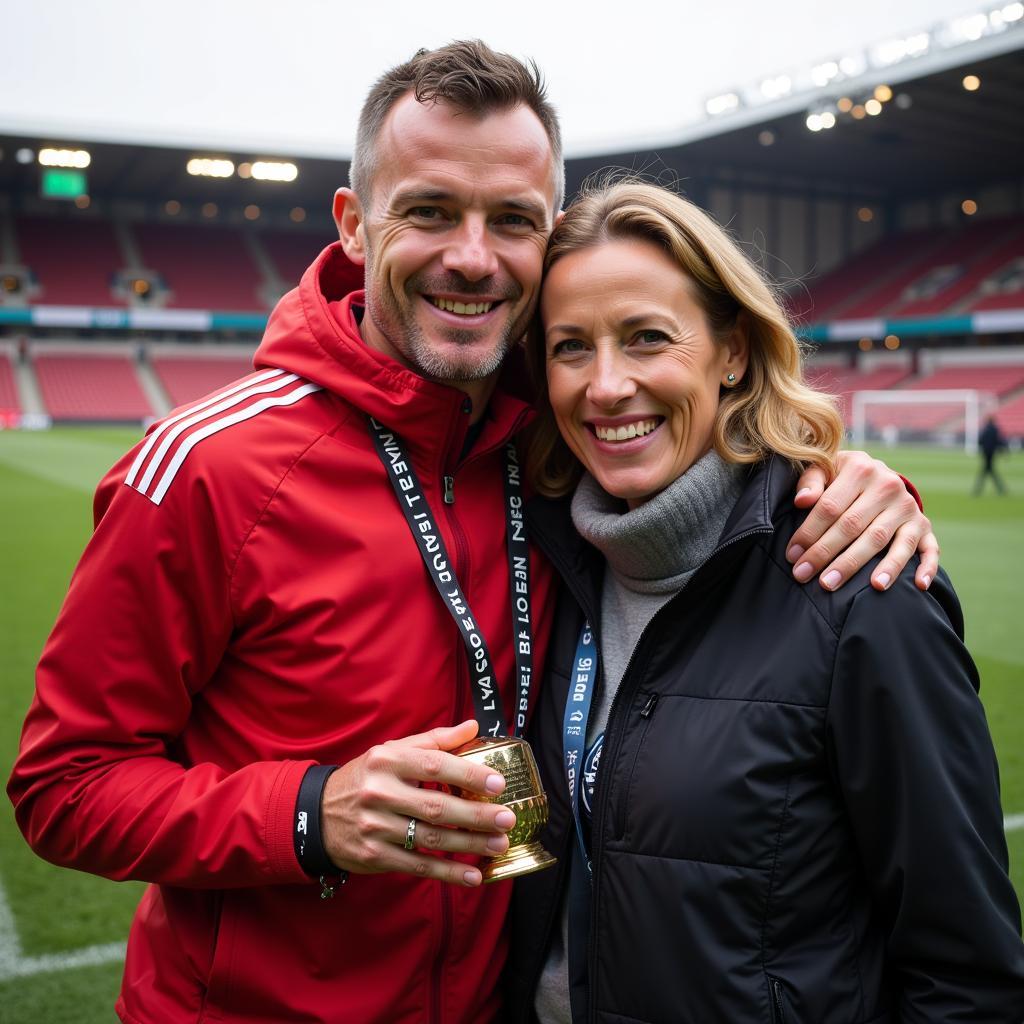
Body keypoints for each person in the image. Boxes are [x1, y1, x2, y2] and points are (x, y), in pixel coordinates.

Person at [9, 44, 938, 1024]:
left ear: (549, 241)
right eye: (429, 211)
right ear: (355, 225)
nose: (472, 255)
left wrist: (853, 483)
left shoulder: (559, 434)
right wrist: (309, 812)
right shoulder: (207, 469)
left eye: (511, 221)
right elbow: (64, 785)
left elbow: (724, 454)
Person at [504, 179, 1024, 1023]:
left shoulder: (862, 590)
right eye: (570, 347)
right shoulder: (542, 566)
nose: (605, 385)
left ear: (734, 351)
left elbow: (968, 973)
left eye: (647, 338)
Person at [975, 415, 1009, 495]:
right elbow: (1000, 441)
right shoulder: (995, 429)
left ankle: (978, 489)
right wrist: (1004, 451)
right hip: (992, 453)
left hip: (986, 452)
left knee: (987, 470)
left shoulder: (985, 429)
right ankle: (1001, 489)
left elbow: (980, 441)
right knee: (989, 470)